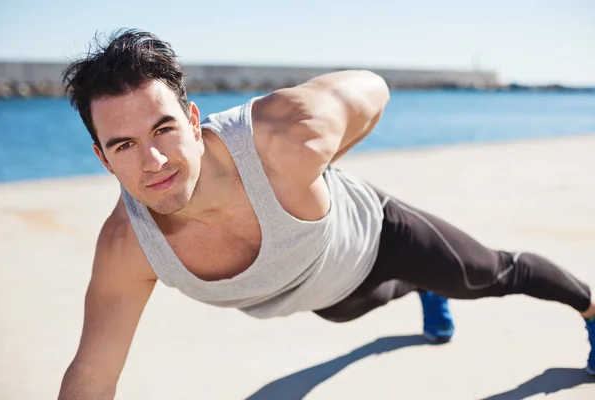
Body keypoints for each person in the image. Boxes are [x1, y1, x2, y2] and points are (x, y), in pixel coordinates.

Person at [57, 29, 595, 399]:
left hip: (381, 236)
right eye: (123, 146)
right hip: (325, 293)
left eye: (163, 129)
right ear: (102, 158)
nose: (153, 162)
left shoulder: (281, 136)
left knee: (487, 276)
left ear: (194, 120)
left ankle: (590, 308)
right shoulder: (129, 246)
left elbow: (374, 90)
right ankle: (422, 288)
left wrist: (313, 165)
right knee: (360, 306)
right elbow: (94, 371)